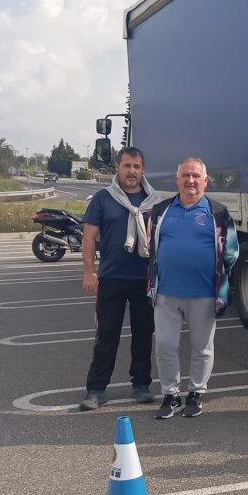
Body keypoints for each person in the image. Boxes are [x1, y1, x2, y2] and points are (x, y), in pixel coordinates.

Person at [145, 158, 239, 419]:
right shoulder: (161, 211)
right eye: (185, 175)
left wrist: (215, 273)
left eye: (196, 176)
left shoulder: (218, 212)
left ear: (205, 181)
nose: (190, 180)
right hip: (166, 293)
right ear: (177, 180)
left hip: (204, 293)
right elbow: (150, 247)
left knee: (202, 347)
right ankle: (171, 395)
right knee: (165, 345)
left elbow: (231, 251)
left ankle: (196, 393)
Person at [78, 147, 164, 411]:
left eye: (136, 167)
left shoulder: (154, 201)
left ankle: (141, 384)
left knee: (143, 334)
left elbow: (164, 238)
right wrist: (89, 271)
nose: (131, 172)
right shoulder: (103, 199)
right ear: (117, 168)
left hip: (144, 280)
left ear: (143, 170)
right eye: (127, 166)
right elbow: (89, 237)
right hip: (112, 278)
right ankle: (96, 389)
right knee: (107, 335)